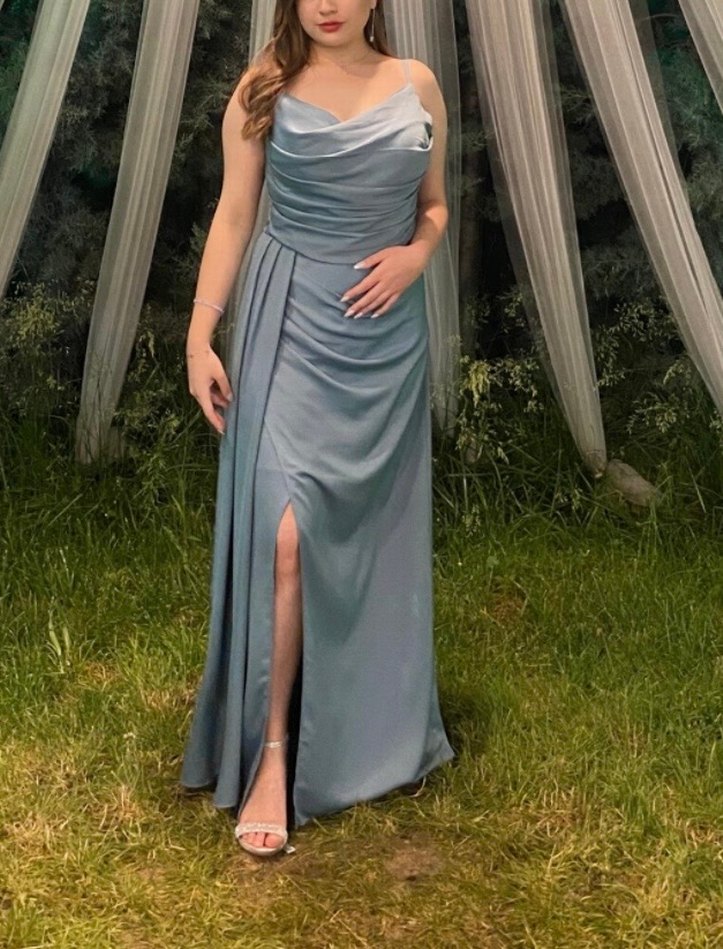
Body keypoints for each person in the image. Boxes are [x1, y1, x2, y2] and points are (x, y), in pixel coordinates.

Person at [180, 0, 455, 858]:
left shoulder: (416, 84)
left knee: (365, 534)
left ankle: (367, 722)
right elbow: (235, 213)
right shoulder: (264, 86)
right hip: (290, 321)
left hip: (382, 339)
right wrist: (199, 334)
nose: (327, 3)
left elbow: (434, 205)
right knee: (287, 534)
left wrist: (415, 255)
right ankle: (271, 753)